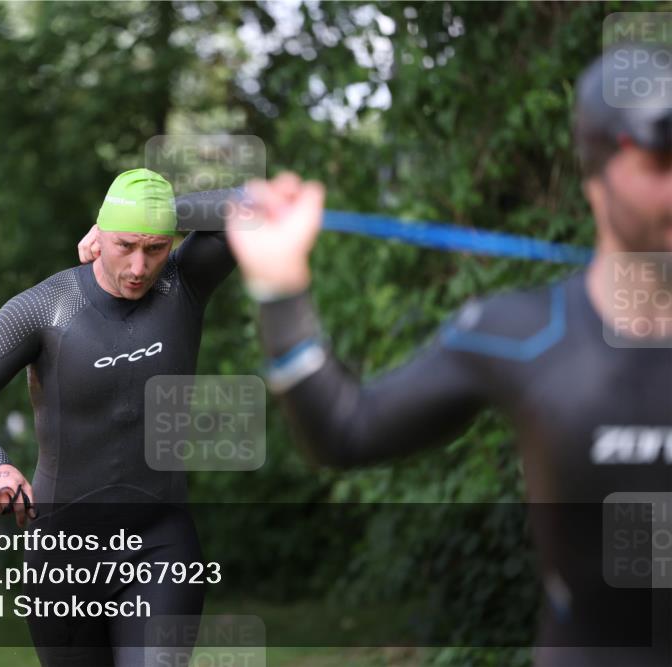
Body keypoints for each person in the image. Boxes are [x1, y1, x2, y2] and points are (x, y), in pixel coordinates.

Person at [225, 46, 671, 667]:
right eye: (662, 157)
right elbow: (344, 432)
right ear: (596, 171)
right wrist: (279, 286)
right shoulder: (521, 334)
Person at [0, 168, 235, 666]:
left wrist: (156, 212)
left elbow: (251, 206)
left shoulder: (183, 285)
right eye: (125, 245)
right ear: (98, 236)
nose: (140, 266)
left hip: (160, 543)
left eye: (156, 247)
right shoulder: (43, 307)